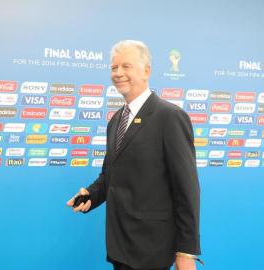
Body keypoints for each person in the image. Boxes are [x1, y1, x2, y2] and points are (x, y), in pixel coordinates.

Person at [67, 40, 201, 270]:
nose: (118, 73)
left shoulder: (169, 116)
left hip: (151, 248)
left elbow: (187, 188)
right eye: (114, 68)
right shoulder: (116, 120)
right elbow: (110, 175)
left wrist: (186, 252)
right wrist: (91, 195)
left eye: (126, 66)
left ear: (146, 70)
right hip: (119, 245)